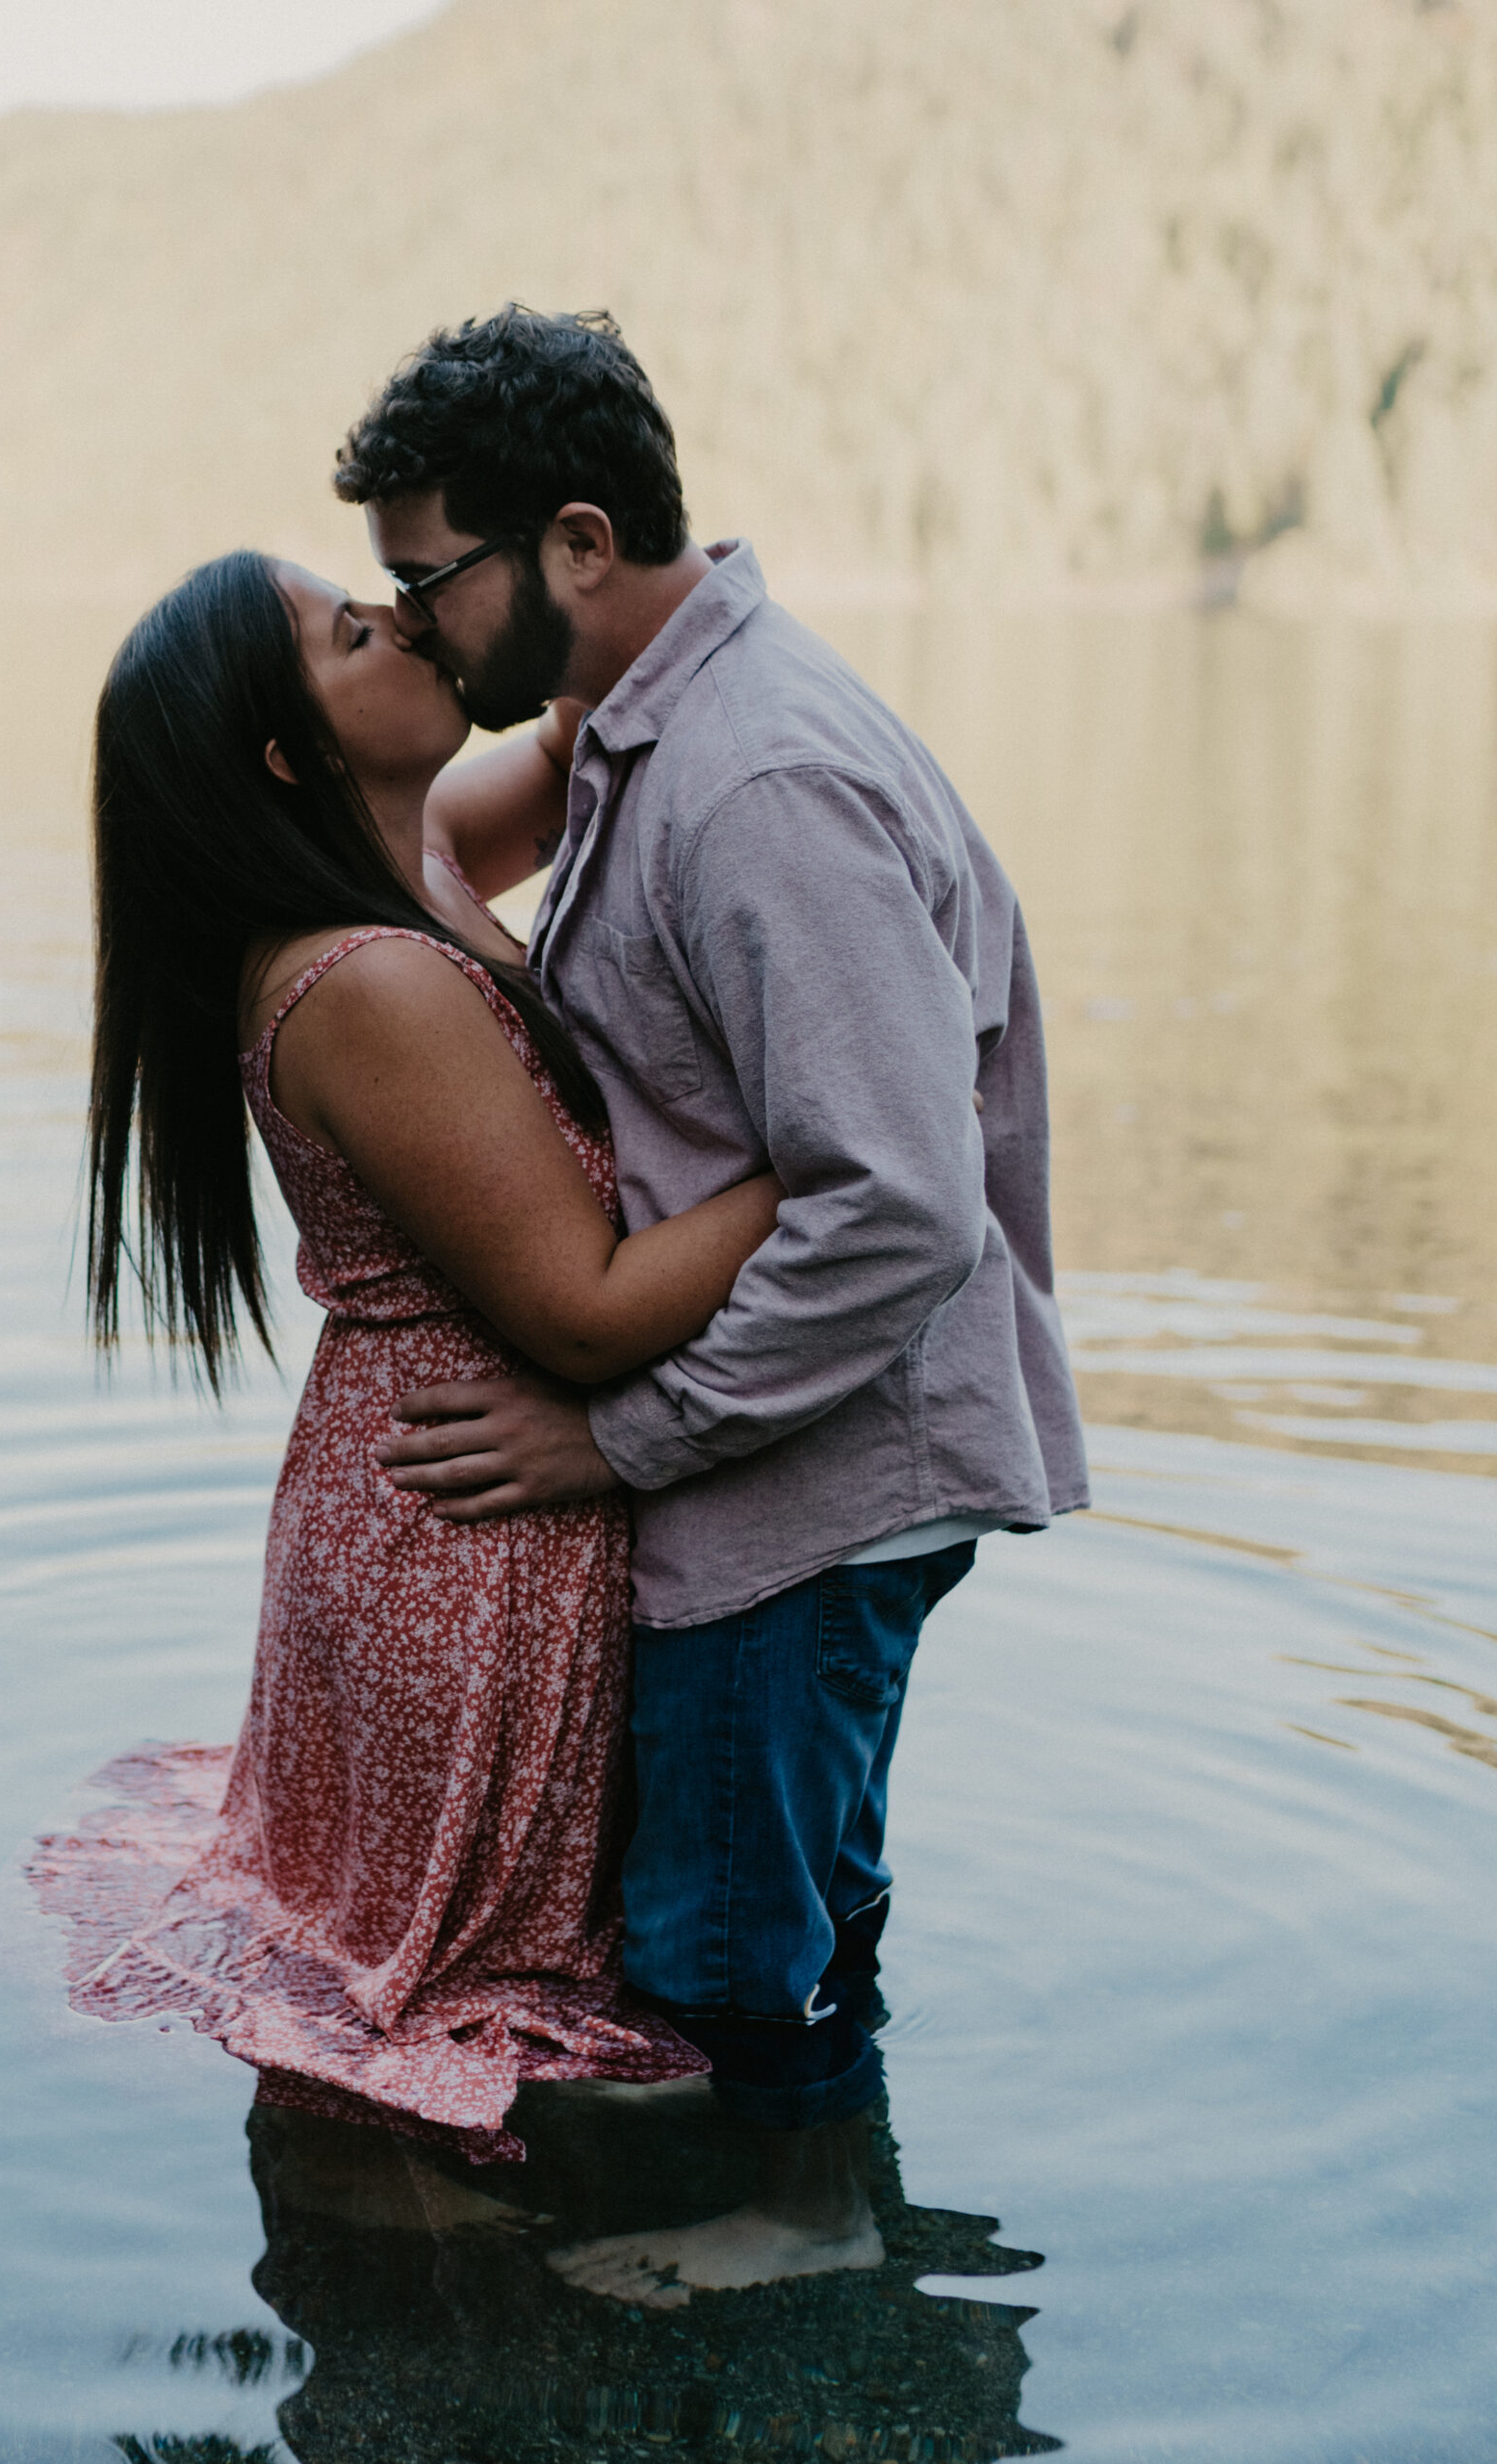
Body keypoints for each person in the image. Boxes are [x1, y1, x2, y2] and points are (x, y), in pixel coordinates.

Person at [335, 305, 1090, 2299]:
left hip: (813, 1470)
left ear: (574, 543)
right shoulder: (640, 731)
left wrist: (617, 1434)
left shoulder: (753, 779)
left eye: (429, 582)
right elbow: (409, 843)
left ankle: (799, 2221)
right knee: (791, 1882)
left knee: (705, 1930)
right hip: (800, 1449)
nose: (413, 628)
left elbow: (898, 1207)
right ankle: (819, 2173)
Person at [29, 544, 789, 2194]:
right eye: (352, 630)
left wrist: (653, 570)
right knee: (463, 2010)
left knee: (426, 1950)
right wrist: (834, 1164)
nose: (406, 625)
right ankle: (467, 2316)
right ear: (292, 757)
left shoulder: (421, 854)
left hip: (419, 1487)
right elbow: (583, 1307)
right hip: (468, 1504)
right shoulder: (361, 981)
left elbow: (591, 729)